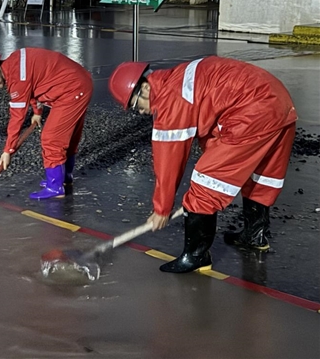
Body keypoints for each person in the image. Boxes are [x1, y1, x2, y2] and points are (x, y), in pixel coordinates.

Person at [108, 56, 297, 273]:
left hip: (253, 111)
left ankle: (197, 256)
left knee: (204, 184)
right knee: (261, 176)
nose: (140, 112)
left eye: (135, 105)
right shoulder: (178, 80)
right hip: (278, 100)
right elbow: (211, 123)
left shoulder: (170, 99)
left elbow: (168, 160)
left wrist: (162, 208)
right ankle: (255, 236)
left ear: (145, 88)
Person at [0, 46, 93, 199]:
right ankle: (64, 179)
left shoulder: (16, 77)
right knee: (68, 137)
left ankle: (55, 187)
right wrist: (37, 112)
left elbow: (16, 118)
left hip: (72, 90)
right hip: (78, 83)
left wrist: (8, 150)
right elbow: (32, 89)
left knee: (51, 138)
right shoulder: (15, 66)